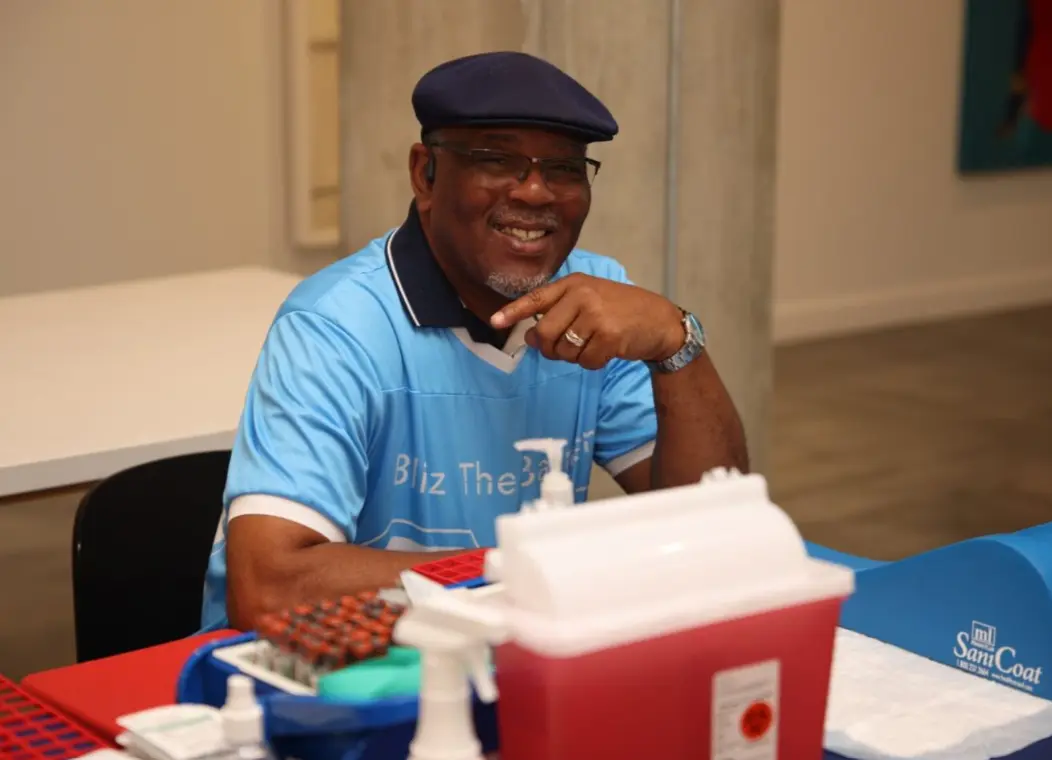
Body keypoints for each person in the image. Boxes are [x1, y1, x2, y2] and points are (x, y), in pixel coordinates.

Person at [202, 51, 748, 632]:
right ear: (425, 175)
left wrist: (674, 341)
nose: (535, 192)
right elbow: (270, 588)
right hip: (334, 668)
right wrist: (522, 572)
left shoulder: (593, 302)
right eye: (496, 160)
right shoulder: (336, 326)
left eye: (564, 168)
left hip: (509, 650)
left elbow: (716, 532)